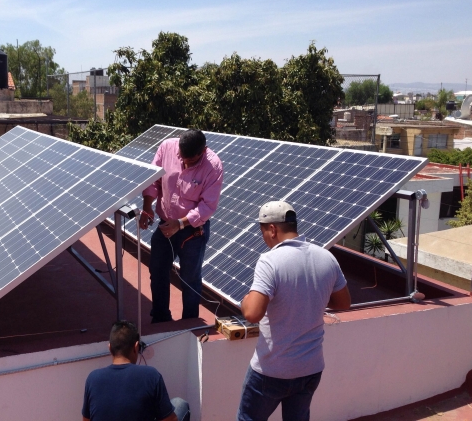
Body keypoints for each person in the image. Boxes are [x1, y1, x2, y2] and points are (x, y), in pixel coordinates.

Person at [238, 201, 351, 421]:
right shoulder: (326, 257)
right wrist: (311, 299)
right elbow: (343, 303)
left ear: (272, 229)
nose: (263, 237)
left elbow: (252, 313)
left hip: (272, 370)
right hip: (310, 368)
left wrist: (245, 301)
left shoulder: (270, 261)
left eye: (263, 231)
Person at [139, 129, 223, 323]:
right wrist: (147, 207)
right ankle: (161, 318)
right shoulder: (167, 147)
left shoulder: (214, 166)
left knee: (190, 278)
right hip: (165, 225)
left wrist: (180, 223)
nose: (185, 163)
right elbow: (153, 180)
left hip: (192, 231)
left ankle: (189, 323)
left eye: (191, 161)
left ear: (203, 151)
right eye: (182, 158)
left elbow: (208, 206)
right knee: (157, 270)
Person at [82, 320, 189, 421]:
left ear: (110, 348)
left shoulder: (93, 378)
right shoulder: (151, 375)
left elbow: (86, 419)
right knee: (180, 404)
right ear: (136, 347)